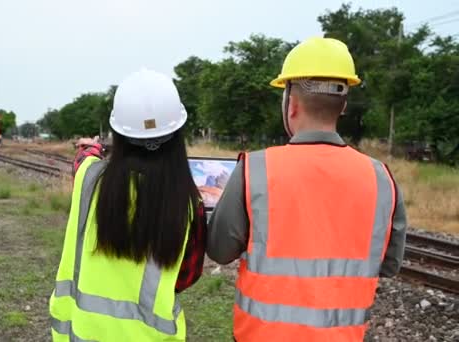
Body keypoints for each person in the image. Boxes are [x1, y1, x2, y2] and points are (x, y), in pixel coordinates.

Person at [207, 37, 407, 341]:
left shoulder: (254, 170)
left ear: (292, 103)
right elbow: (389, 265)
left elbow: (219, 251)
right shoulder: (381, 178)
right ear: (343, 105)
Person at [49, 69, 206, 341]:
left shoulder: (89, 177)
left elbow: (83, 158)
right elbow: (186, 277)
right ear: (178, 135)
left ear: (117, 134)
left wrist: (94, 148)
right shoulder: (191, 205)